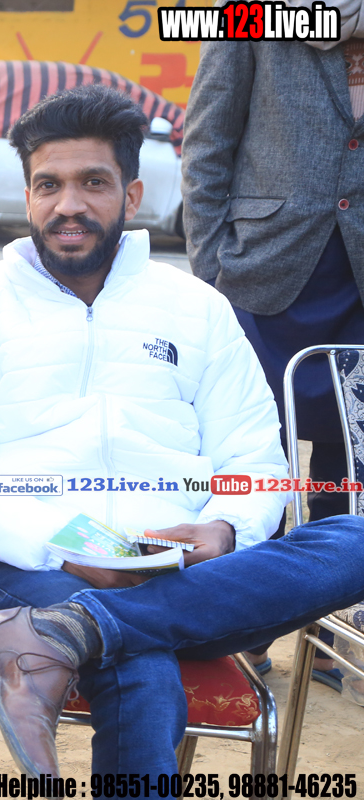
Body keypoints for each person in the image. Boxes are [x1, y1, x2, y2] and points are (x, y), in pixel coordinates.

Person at [0, 84, 364, 776]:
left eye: (93, 183)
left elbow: (253, 457)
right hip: (37, 569)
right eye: (49, 185)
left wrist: (227, 529)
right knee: (142, 666)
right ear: (27, 196)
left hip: (187, 571)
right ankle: (83, 621)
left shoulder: (197, 307)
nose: (68, 204)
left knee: (354, 538)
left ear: (132, 193)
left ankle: (72, 631)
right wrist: (62, 549)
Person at [183, 27, 364, 691]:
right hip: (264, 276)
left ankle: (329, 632)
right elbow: (207, 142)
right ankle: (246, 628)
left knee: (349, 470)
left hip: (358, 284)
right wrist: (213, 271)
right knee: (254, 463)